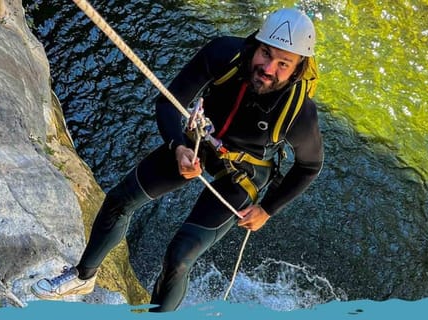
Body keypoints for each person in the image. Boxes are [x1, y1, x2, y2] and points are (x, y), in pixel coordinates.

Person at [31, 7, 324, 312]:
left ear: (298, 69)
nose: (268, 68)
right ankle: (83, 276)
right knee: (120, 200)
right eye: (265, 53)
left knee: (179, 257)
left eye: (283, 64)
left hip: (243, 173)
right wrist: (177, 147)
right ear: (256, 45)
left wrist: (266, 209)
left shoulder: (299, 114)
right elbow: (169, 102)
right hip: (197, 143)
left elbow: (310, 166)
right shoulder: (224, 54)